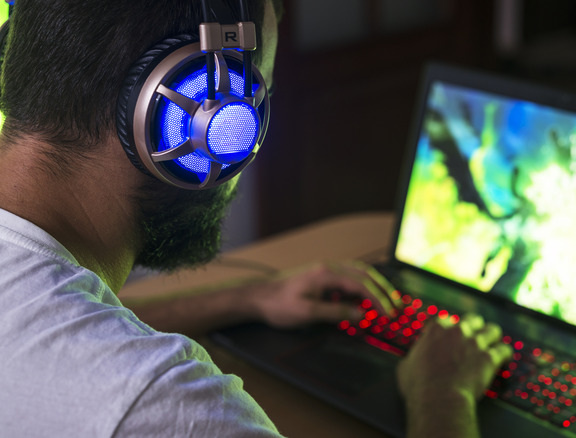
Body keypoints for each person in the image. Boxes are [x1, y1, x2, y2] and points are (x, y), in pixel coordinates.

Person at [0, 1, 513, 437]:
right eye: (256, 93)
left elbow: (60, 324)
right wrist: (443, 394)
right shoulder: (163, 405)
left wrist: (249, 298)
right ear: (208, 112)